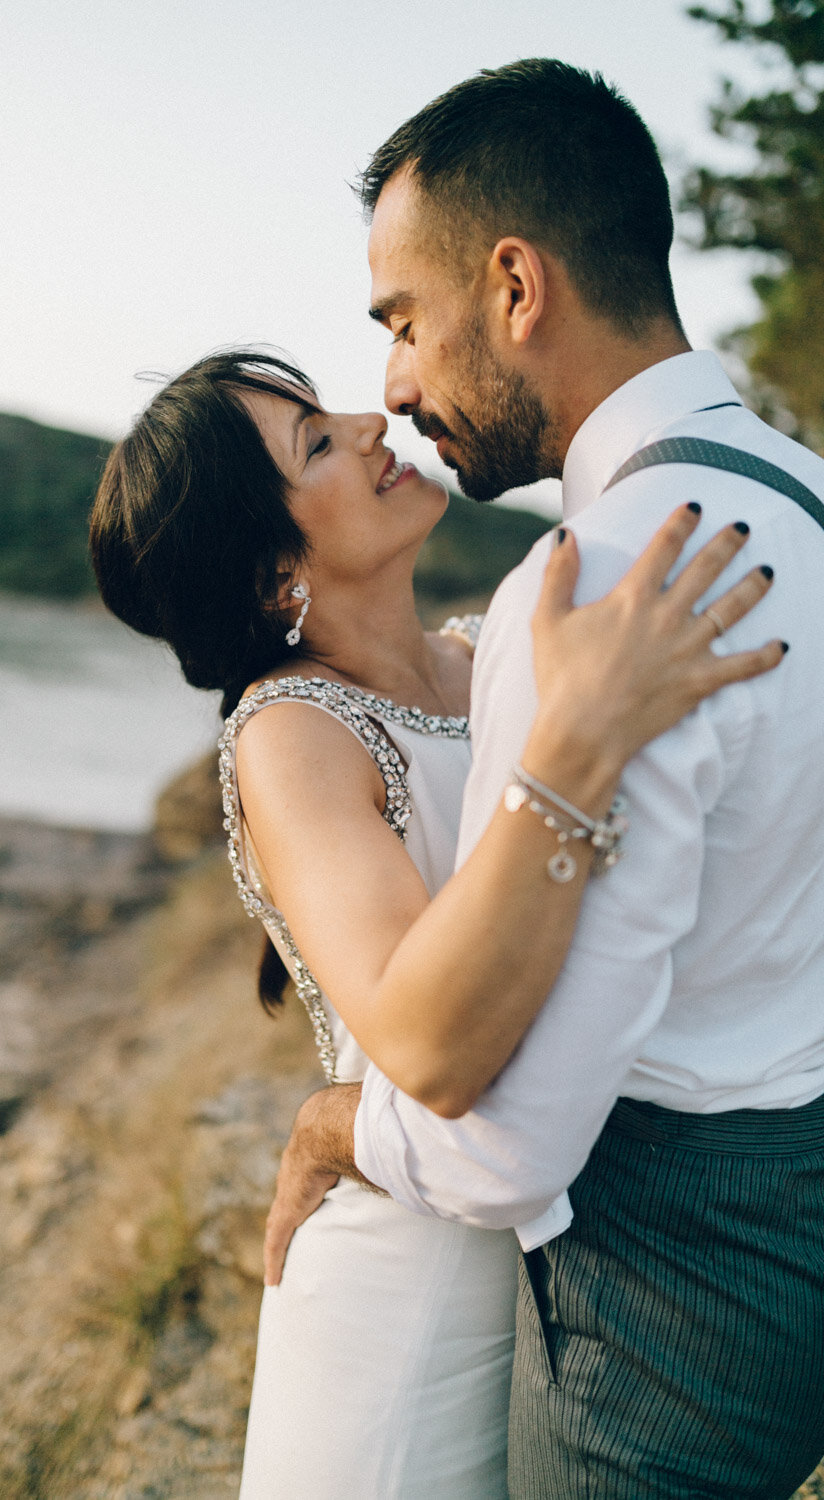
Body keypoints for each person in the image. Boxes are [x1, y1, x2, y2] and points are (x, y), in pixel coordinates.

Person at [269, 60, 824, 1499]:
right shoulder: (805, 498)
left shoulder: (591, 589)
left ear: (515, 286)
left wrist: (340, 1122)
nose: (393, 386)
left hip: (662, 1308)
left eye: (402, 320)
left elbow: (510, 1148)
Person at [89, 347, 783, 1498]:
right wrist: (581, 740)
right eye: (315, 441)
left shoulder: (493, 652)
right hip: (405, 1304)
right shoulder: (289, 732)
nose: (370, 421)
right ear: (271, 575)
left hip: (565, 1258)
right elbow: (426, 1037)